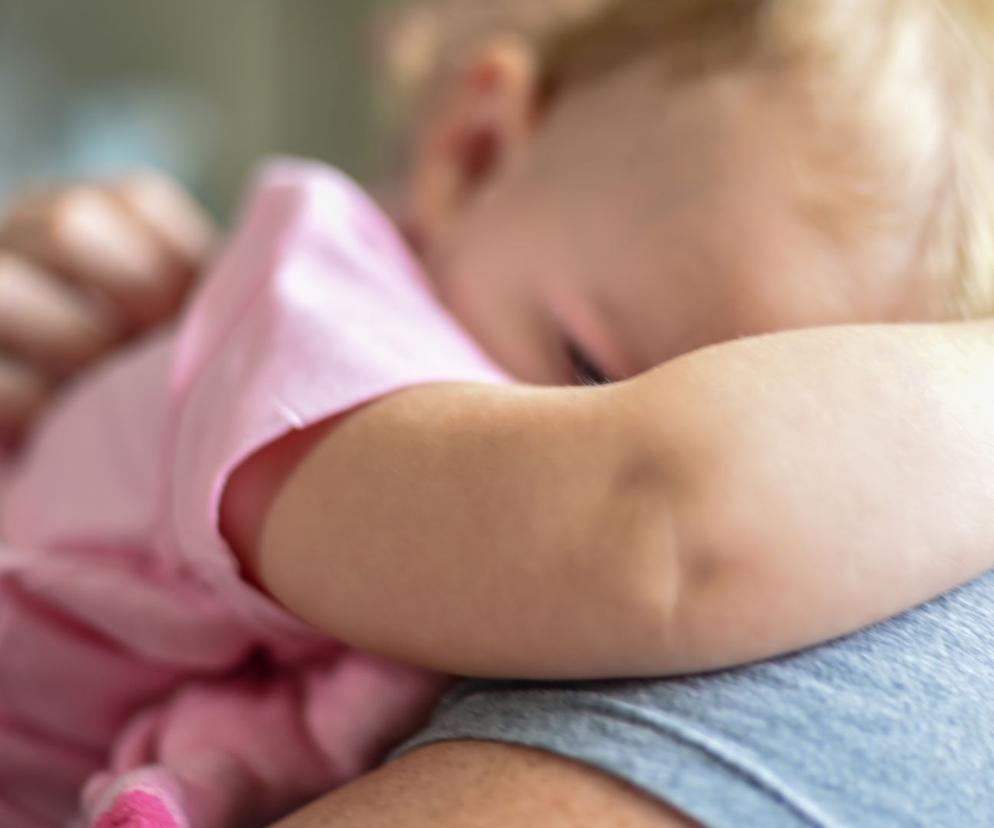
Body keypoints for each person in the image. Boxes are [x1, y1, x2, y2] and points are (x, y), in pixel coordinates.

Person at [3, 0, 994, 825]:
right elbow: (651, 525)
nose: (568, 442)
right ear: (474, 153)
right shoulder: (306, 308)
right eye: (588, 376)